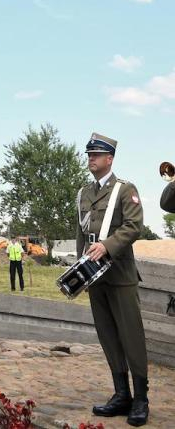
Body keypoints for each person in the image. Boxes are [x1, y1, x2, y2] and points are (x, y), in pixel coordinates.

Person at [77, 132, 148, 427]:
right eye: (89, 154)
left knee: (131, 337)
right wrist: (79, 270)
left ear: (110, 158)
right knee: (107, 335)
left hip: (119, 275)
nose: (91, 158)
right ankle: (121, 395)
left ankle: (141, 399)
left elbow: (134, 227)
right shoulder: (84, 193)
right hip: (95, 276)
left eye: (96, 154)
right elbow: (81, 233)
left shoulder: (124, 189)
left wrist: (107, 245)